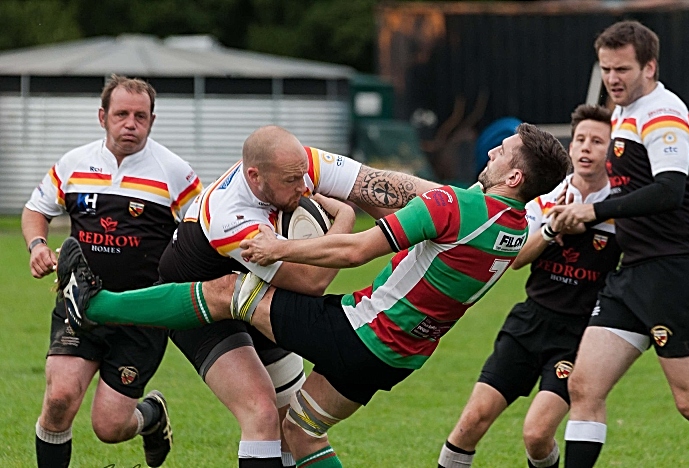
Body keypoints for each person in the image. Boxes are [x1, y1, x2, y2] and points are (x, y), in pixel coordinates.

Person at [56, 122, 571, 467]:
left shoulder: (452, 207)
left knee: (232, 292)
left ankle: (97, 305)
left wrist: (284, 245)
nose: (490, 150)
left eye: (501, 151)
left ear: (514, 175)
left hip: (360, 331)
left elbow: (355, 252)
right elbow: (412, 198)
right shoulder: (517, 227)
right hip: (400, 357)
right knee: (301, 433)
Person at [136, 124, 441, 466]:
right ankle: (93, 303)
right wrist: (345, 215)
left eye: (304, 175)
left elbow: (371, 183)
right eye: (291, 181)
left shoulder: (295, 165)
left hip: (253, 293)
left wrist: (460, 204)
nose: (305, 186)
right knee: (261, 413)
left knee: (294, 425)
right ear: (255, 176)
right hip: (200, 302)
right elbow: (311, 282)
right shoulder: (232, 219)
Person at [22, 75, 202, 468]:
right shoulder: (73, 163)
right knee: (58, 400)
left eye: (141, 116)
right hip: (79, 304)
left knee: (110, 426)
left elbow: (202, 234)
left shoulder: (176, 173)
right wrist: (37, 245)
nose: (131, 123)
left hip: (144, 314)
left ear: (152, 120)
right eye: (121, 114)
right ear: (103, 116)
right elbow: (36, 210)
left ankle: (151, 416)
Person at [546, 21, 689, 468]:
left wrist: (596, 212)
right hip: (633, 273)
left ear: (649, 67)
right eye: (607, 68)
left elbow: (670, 190)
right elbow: (635, 188)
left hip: (672, 271)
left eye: (623, 70)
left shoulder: (663, 111)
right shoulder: (622, 111)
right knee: (584, 386)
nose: (612, 79)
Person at [437, 105, 620, 468]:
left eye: (597, 141)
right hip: (529, 322)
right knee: (471, 422)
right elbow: (517, 257)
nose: (585, 147)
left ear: (613, 151)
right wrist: (553, 228)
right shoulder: (548, 197)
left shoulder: (620, 206)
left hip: (578, 336)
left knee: (537, 436)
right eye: (580, 139)